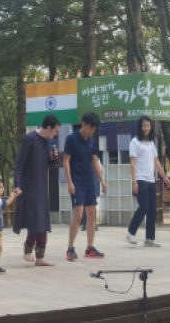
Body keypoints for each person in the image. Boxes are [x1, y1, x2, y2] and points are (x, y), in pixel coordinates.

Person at [13, 114, 61, 267]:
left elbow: (45, 164)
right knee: (35, 220)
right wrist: (17, 185)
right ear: (48, 128)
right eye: (55, 131)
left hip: (42, 187)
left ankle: (40, 257)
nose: (55, 135)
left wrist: (52, 158)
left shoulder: (46, 142)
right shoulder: (30, 139)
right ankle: (28, 250)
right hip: (30, 187)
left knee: (43, 221)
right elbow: (20, 164)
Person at [64, 112, 108, 261]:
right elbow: (66, 161)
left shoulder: (91, 140)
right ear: (83, 125)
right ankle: (70, 248)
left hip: (90, 181)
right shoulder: (71, 139)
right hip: (77, 182)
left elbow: (94, 160)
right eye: (91, 128)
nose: (92, 132)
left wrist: (101, 180)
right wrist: (69, 182)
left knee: (91, 214)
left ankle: (90, 248)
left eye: (94, 129)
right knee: (78, 214)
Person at [125, 116, 170, 247]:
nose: (146, 128)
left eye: (148, 126)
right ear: (140, 127)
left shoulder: (151, 143)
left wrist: (164, 177)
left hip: (151, 180)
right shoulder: (135, 142)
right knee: (144, 206)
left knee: (152, 209)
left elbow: (156, 161)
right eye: (144, 126)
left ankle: (149, 238)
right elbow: (132, 162)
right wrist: (134, 181)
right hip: (140, 179)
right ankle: (130, 233)